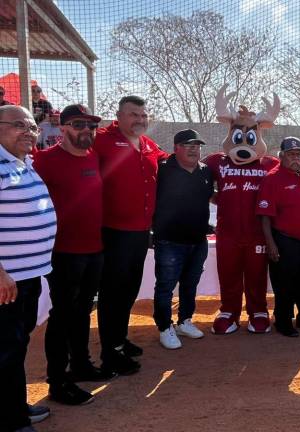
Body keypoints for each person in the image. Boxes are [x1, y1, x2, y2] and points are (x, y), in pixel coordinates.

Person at [33, 104, 114, 407]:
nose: (86, 131)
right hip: (63, 253)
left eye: (91, 126)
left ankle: (80, 364)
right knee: (63, 316)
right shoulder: (45, 160)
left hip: (94, 251)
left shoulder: (93, 156)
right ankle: (58, 381)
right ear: (62, 127)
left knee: (82, 312)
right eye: (78, 125)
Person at [93, 95, 168, 375]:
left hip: (140, 233)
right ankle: (110, 352)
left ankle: (119, 339)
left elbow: (170, 164)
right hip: (112, 232)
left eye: (143, 115)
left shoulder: (149, 145)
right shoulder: (102, 140)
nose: (139, 119)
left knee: (128, 291)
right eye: (133, 114)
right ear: (119, 116)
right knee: (112, 293)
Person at [206, 86, 280, 335]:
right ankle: (229, 311)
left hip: (258, 232)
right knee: (228, 272)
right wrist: (215, 197)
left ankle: (258, 310)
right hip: (227, 231)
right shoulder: (216, 161)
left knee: (257, 273)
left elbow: (289, 182)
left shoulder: (270, 164)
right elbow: (196, 180)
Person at [0, 105, 56, 432]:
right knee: (6, 350)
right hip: (7, 281)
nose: (28, 132)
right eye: (18, 125)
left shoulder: (24, 163)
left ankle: (13, 406)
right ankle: (12, 421)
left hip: (28, 276)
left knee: (17, 346)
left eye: (32, 126)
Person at [152, 130, 214, 349]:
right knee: (165, 287)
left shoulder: (206, 171)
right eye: (187, 144)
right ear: (176, 147)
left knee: (190, 284)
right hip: (169, 241)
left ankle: (184, 321)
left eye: (196, 145)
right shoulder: (163, 170)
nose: (193, 149)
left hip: (198, 241)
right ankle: (164, 327)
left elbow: (209, 199)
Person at [257, 137, 300, 337]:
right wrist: (271, 243)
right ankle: (284, 321)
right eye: (291, 154)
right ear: (282, 155)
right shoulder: (273, 178)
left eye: (298, 154)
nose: (296, 158)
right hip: (285, 241)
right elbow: (265, 215)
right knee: (285, 285)